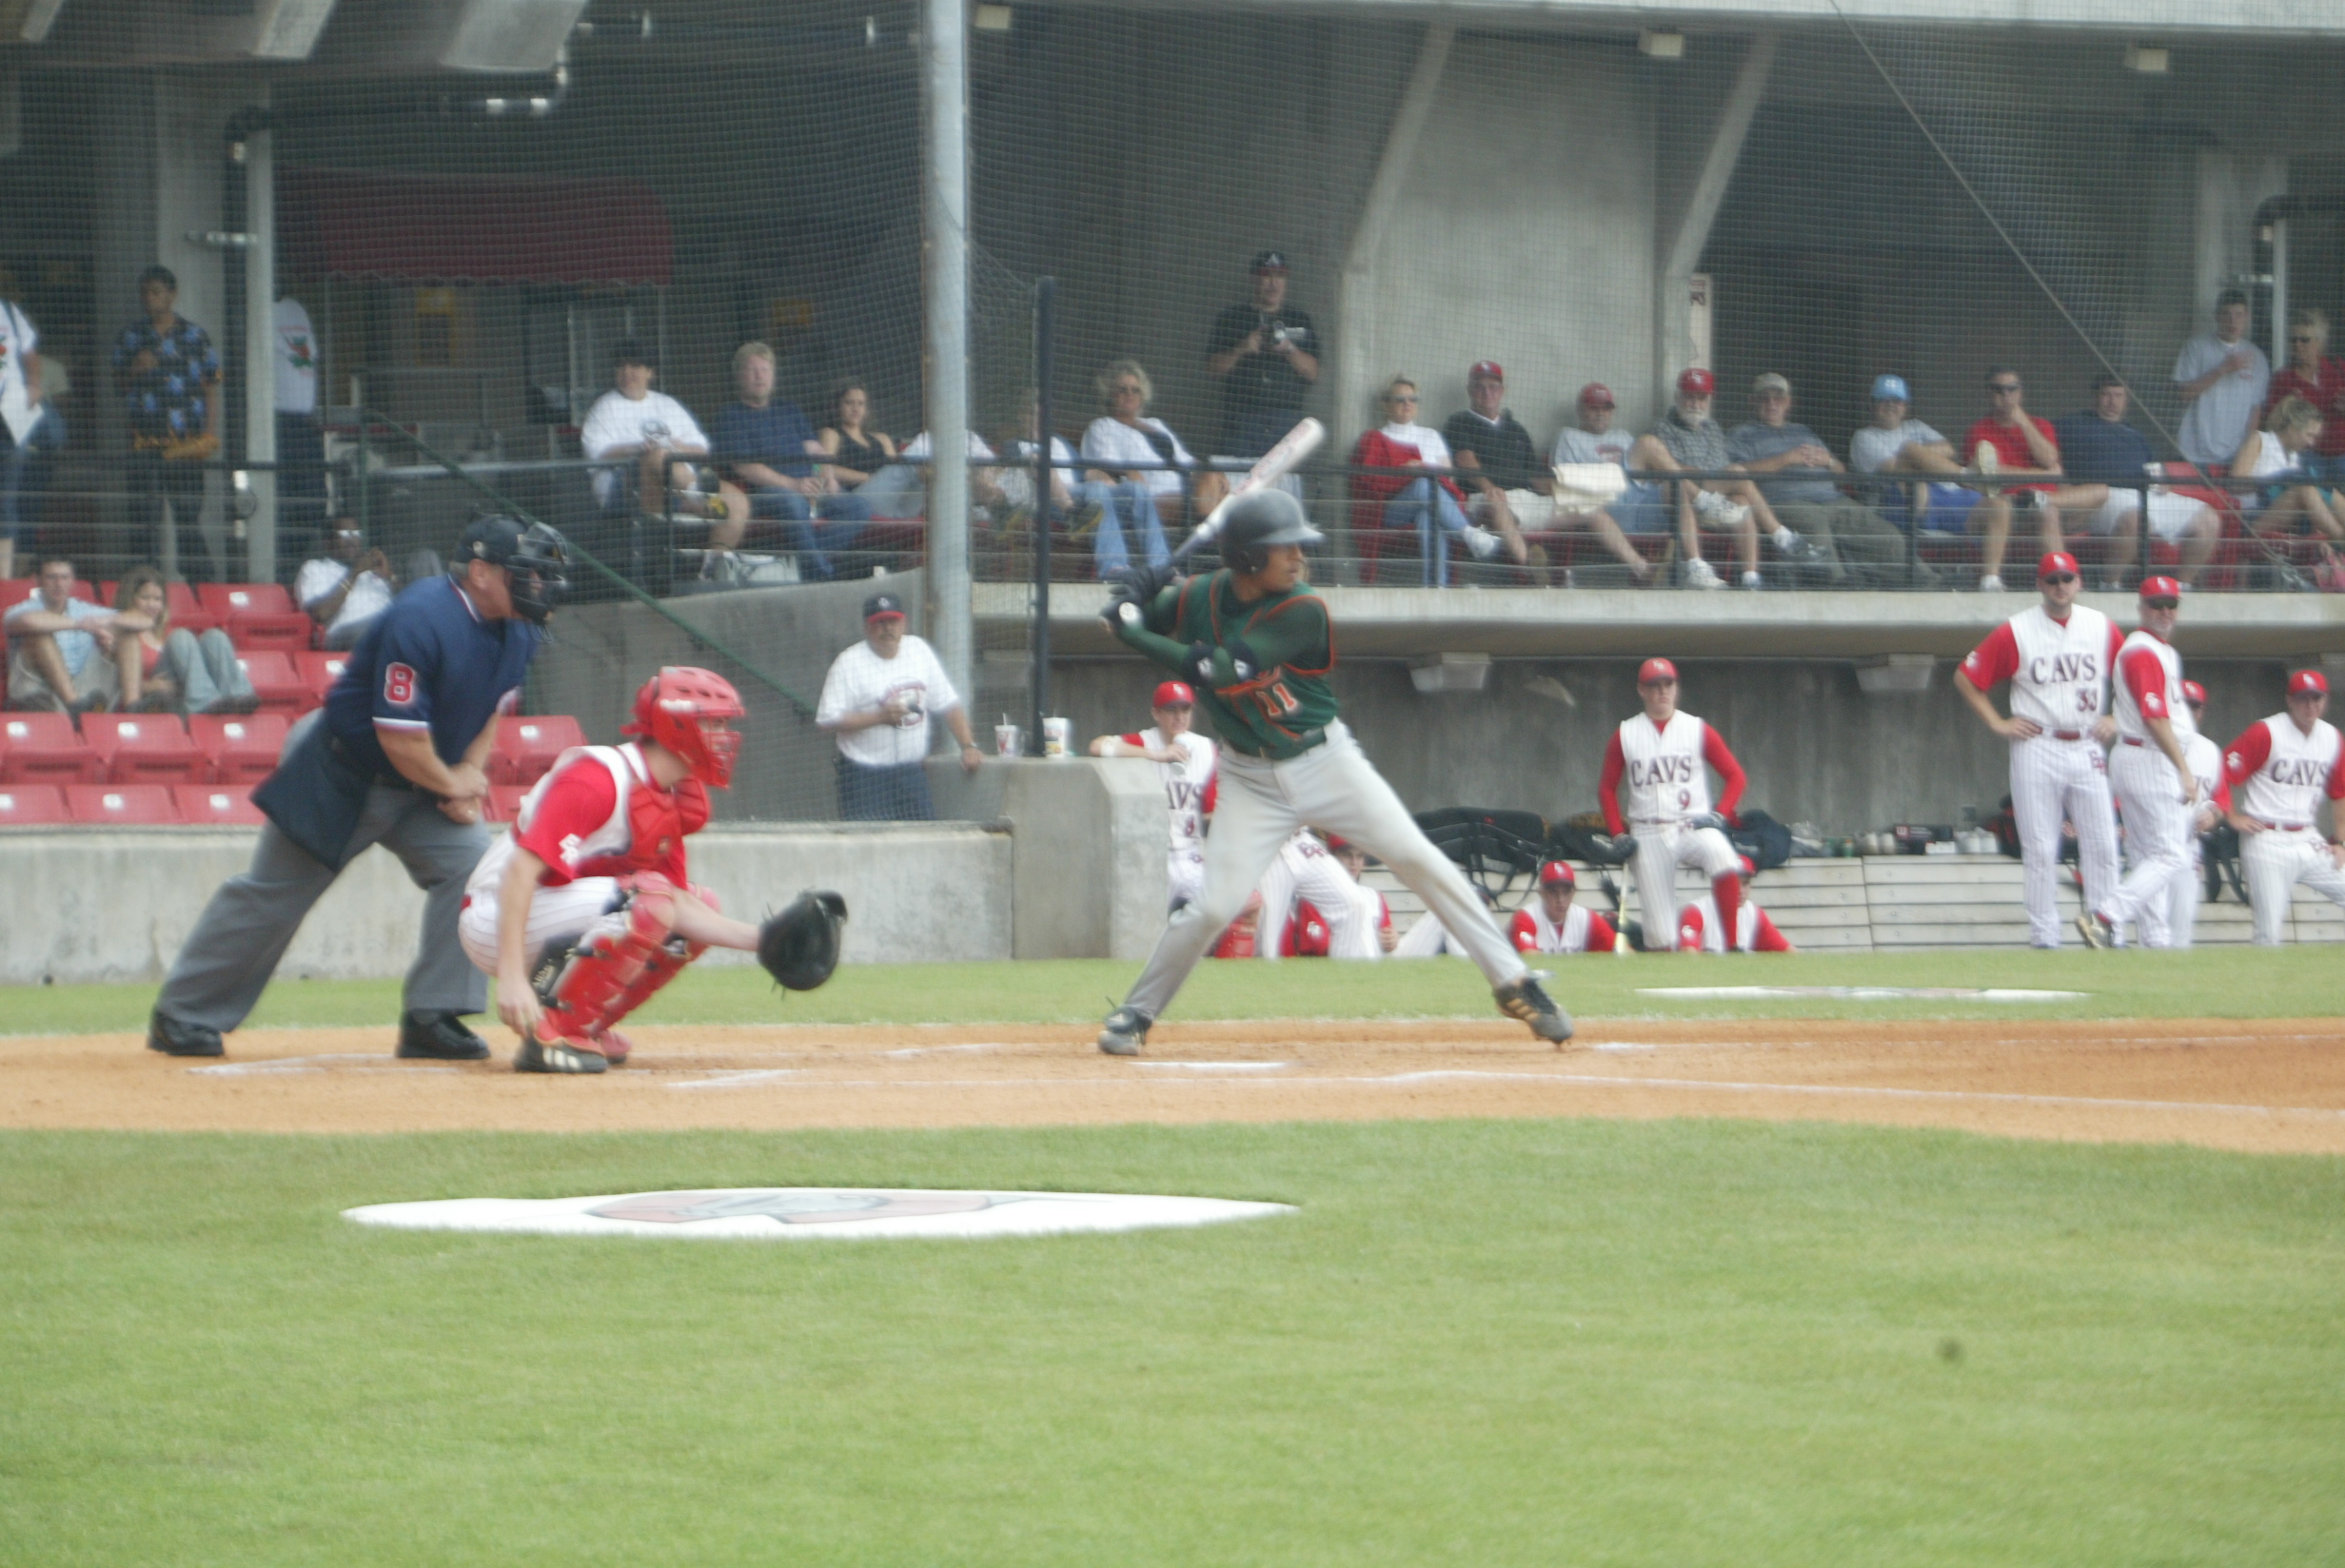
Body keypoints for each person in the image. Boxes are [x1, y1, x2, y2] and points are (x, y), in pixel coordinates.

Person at [1093, 488, 1570, 1054]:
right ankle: (1136, 1013)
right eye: (1283, 547)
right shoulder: (1198, 596)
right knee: (1215, 906)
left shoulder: (1303, 610)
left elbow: (1219, 671)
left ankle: (1513, 981)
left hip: (1327, 763)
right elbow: (1127, 622)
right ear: (1247, 557)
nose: (1298, 556)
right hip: (1250, 778)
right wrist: (1132, 604)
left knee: (1418, 857)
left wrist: (1135, 628)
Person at [145, 516, 569, 1061]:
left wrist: (466, 780)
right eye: (524, 572)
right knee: (275, 894)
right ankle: (183, 1014)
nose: (538, 584)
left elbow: (491, 706)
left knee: (474, 871)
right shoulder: (422, 615)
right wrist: (452, 781)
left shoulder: (521, 628)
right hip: (341, 769)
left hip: (423, 782)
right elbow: (399, 738)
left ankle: (431, 1016)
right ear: (481, 573)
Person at [458, 667, 767, 1073]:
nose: (723, 737)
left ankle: (585, 1024)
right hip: (493, 916)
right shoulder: (599, 778)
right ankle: (552, 1033)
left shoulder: (673, 796)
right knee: (650, 899)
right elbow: (519, 872)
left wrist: (765, 940)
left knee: (695, 904)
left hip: (546, 911)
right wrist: (512, 978)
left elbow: (679, 908)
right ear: (676, 726)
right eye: (713, 723)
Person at [1953, 551, 2123, 948]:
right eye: (2052, 579)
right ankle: (2045, 936)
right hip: (2037, 742)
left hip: (2087, 743)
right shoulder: (2018, 629)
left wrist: (2117, 717)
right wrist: (1997, 722)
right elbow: (1966, 676)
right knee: (2040, 846)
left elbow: (2132, 678)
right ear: (2039, 584)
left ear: (2078, 583)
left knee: (2102, 843)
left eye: (2067, 578)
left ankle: (2103, 933)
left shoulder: (2100, 626)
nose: (2060, 586)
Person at [2078, 578, 2198, 950]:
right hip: (2149, 755)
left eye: (2171, 604)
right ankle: (2105, 915)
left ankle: (2154, 941)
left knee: (2148, 856)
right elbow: (2154, 716)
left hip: (2137, 755)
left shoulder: (2159, 650)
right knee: (2171, 854)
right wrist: (2183, 768)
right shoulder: (2143, 651)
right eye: (2156, 604)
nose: (2165, 611)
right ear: (2142, 607)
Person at [1598, 657, 1749, 951]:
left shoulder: (1695, 728)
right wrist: (1618, 833)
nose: (1662, 692)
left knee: (1723, 856)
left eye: (1668, 684)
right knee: (1662, 937)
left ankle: (1732, 945)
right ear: (1641, 690)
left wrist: (1720, 814)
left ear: (1676, 687)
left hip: (1691, 823)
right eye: (1654, 686)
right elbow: (1606, 789)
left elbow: (1736, 776)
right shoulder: (1625, 734)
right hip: (1647, 830)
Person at [1727, 373, 1921, 588]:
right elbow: (1738, 472)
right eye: (1765, 398)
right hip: (1786, 502)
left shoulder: (1803, 431)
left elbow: (1841, 472)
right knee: (1818, 530)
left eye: (1779, 398)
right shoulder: (1741, 433)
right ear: (1752, 401)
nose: (1772, 404)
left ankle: (1930, 583)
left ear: (1789, 402)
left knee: (1888, 535)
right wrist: (1785, 459)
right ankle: (1839, 586)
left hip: (1833, 499)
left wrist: (1828, 460)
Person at [816, 591, 983, 821]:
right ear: (867, 627)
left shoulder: (919, 651)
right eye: (880, 623)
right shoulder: (848, 663)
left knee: (922, 840)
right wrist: (878, 717)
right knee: (869, 848)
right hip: (864, 775)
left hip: (910, 772)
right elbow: (826, 719)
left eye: (893, 621)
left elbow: (948, 703)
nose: (888, 629)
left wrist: (967, 745)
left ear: (904, 622)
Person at [712, 342, 873, 580]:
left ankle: (805, 568)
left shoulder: (788, 409)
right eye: (753, 370)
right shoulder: (730, 416)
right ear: (740, 376)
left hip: (809, 489)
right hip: (764, 495)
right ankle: (820, 570)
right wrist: (794, 485)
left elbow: (815, 452)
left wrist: (825, 476)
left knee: (858, 506)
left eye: (765, 370)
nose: (760, 377)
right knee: (791, 501)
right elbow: (746, 468)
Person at [1629, 368, 1789, 590]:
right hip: (1678, 505)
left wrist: (1703, 476)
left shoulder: (1712, 428)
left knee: (1742, 498)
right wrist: (1702, 476)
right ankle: (1780, 535)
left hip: (1715, 502)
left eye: (1701, 398)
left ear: (1709, 400)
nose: (1695, 404)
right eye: (1689, 396)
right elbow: (1671, 470)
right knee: (1732, 474)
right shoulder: (1663, 428)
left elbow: (1718, 468)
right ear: (1678, 398)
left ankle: (1751, 579)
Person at [1850, 372, 2012, 590]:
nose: (1890, 406)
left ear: (1905, 406)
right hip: (1904, 502)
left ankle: (1990, 581)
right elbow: (1891, 468)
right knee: (1908, 450)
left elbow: (1949, 449)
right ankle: (1969, 476)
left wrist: (1920, 458)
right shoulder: (1864, 437)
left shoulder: (1915, 426)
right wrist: (1920, 458)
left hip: (1948, 495)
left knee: (1999, 506)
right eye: (1883, 400)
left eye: (1896, 401)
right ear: (1872, 404)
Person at [2055, 376, 2221, 588]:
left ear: (2126, 401)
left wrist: (2163, 480)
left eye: (2118, 396)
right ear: (2094, 397)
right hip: (2103, 496)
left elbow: (2155, 467)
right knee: (2136, 518)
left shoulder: (2136, 434)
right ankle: (2109, 584)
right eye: (2106, 395)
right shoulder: (2072, 424)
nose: (2112, 402)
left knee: (2208, 518)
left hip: (2148, 493)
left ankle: (2181, 587)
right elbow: (2050, 455)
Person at [2220, 669, 2345, 946]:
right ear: (2289, 700)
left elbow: (2340, 793)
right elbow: (2222, 769)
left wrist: (2340, 842)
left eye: (2316, 698)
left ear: (2325, 701)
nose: (2310, 705)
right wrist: (2232, 816)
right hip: (2267, 838)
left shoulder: (2332, 738)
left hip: (2308, 837)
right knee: (2268, 934)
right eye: (2302, 698)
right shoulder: (2267, 731)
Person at [578, 341, 744, 548]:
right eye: (621, 366)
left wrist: (676, 446)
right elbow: (597, 454)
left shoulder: (667, 404)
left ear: (650, 372)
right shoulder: (604, 406)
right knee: (657, 456)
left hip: (675, 486)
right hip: (622, 490)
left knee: (737, 501)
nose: (626, 372)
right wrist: (637, 449)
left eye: (635, 366)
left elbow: (701, 449)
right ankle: (698, 496)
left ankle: (714, 566)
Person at [111, 265, 220, 578]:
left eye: (156, 291)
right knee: (144, 517)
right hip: (143, 441)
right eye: (144, 292)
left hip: (186, 442)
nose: (149, 298)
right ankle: (144, 585)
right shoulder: (131, 336)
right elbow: (117, 387)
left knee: (188, 515)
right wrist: (134, 369)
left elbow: (210, 386)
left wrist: (208, 435)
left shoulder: (195, 335)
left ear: (171, 294)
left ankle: (201, 584)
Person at [1349, 377, 1511, 586]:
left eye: (1412, 399)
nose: (1407, 404)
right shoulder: (1374, 438)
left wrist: (1422, 469)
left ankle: (1435, 587)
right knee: (1425, 485)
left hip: (1432, 504)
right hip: (1392, 510)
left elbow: (1448, 479)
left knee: (1429, 514)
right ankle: (1469, 534)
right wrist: (1408, 473)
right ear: (1386, 404)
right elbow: (1369, 481)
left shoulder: (1430, 436)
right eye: (1400, 399)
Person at [1078, 361, 1223, 578]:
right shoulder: (1103, 426)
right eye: (1122, 389)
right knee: (1214, 509)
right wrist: (1129, 472)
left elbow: (1186, 462)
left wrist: (1211, 474)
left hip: (1185, 491)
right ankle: (1209, 537)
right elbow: (1107, 466)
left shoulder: (1157, 425)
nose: (1129, 394)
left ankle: (1211, 533)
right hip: (1147, 496)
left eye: (1135, 390)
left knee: (1216, 481)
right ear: (1109, 394)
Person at [1090, 679, 1218, 911]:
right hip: (1152, 856)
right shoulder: (1146, 741)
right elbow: (1097, 746)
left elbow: (1211, 812)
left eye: (1185, 709)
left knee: (1221, 913)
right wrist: (1155, 754)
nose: (1179, 716)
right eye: (1171, 709)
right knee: (1147, 925)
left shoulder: (1206, 749)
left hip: (1192, 855)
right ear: (1156, 713)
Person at [1961, 366, 2109, 567]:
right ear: (1989, 393)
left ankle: (2042, 500)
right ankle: (2062, 577)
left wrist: (2022, 421)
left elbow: (2049, 458)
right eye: (1999, 390)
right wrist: (2045, 475)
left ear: (2021, 393)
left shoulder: (2040, 424)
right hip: (2012, 506)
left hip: (2051, 501)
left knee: (2101, 491)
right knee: (2047, 512)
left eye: (2012, 389)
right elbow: (1994, 471)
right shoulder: (1979, 429)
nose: (2006, 395)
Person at [1205, 250, 1319, 459]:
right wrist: (1241, 348)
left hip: (1285, 418)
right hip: (1242, 417)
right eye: (1267, 275)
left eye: (1280, 276)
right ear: (1254, 278)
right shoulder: (1232, 318)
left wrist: (1289, 348)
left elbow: (1312, 372)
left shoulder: (1299, 320)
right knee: (1239, 484)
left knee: (1284, 486)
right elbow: (1212, 369)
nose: (1273, 283)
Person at [1546, 382, 1661, 584]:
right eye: (1594, 408)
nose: (1600, 413)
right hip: (1603, 504)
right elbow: (1562, 482)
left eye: (1606, 409)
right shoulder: (1569, 436)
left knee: (1676, 492)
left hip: (1636, 502)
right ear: (1580, 410)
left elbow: (1645, 476)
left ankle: (1681, 564)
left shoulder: (1623, 436)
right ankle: (1649, 569)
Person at [109, 566, 256, 715]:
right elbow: (112, 685)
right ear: (130, 598)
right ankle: (203, 701)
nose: (152, 605)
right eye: (145, 598)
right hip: (153, 701)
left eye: (157, 599)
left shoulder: (166, 633)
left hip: (181, 693)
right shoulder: (124, 635)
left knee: (214, 637)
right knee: (181, 637)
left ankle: (239, 696)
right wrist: (150, 686)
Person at [1438, 361, 1541, 561]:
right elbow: (1465, 460)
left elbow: (1535, 474)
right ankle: (1530, 568)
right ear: (1469, 390)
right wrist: (1488, 488)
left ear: (1502, 391)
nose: (1487, 392)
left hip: (1525, 499)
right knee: (1495, 504)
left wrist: (1562, 489)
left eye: (1493, 386)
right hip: (1482, 498)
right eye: (1479, 386)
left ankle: (1623, 571)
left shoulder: (1516, 429)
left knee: (1587, 507)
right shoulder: (1459, 422)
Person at [2158, 680, 2229, 950]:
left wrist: (2213, 816)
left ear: (2202, 712)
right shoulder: (2149, 743)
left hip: (2189, 848)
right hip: (2153, 846)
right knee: (2151, 930)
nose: (2189, 711)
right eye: (2184, 705)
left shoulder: (2210, 751)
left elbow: (2220, 802)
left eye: (2195, 706)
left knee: (2180, 932)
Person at [4, 557, 120, 714]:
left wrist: (110, 637)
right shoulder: (23, 609)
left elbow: (136, 620)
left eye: (64, 577)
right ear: (38, 581)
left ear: (72, 581)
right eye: (52, 577)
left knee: (127, 635)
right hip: (38, 691)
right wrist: (81, 625)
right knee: (39, 634)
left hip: (83, 687)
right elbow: (29, 621)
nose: (59, 584)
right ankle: (73, 705)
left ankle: (135, 707)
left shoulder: (82, 609)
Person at [2173, 288, 2271, 468]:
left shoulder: (2257, 357)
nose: (2232, 321)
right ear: (2217, 316)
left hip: (2234, 453)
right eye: (2227, 314)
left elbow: (2255, 410)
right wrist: (2222, 369)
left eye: (2239, 315)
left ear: (2247, 317)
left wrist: (2247, 451)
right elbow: (2183, 394)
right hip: (2194, 451)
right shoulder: (2196, 347)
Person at [1255, 827, 1384, 960]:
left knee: (1353, 904)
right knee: (1268, 941)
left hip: (1298, 840)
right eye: (1347, 855)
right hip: (1261, 839)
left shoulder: (1374, 896)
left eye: (1359, 857)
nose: (1354, 862)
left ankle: (1346, 977)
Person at [2232, 396, 2340, 546]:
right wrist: (2275, 479)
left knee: (2329, 491)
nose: (2311, 443)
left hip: (2290, 520)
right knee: (2305, 490)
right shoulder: (2259, 439)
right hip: (2252, 518)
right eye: (2309, 435)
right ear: (2292, 428)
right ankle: (2341, 539)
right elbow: (2234, 485)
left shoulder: (2295, 455)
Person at [272, 292, 327, 566]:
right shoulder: (262, 311)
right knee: (283, 499)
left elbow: (310, 361)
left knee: (314, 498)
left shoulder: (296, 309)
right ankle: (282, 565)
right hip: (275, 422)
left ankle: (296, 561)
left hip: (304, 421)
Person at [0, 287, 48, 581]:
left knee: (6, 500)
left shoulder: (8, 309)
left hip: (11, 414)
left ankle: (3, 580)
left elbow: (29, 353)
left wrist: (34, 386)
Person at [297, 517, 399, 650]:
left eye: (356, 533)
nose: (351, 540)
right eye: (344, 534)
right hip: (345, 635)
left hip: (388, 628)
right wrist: (355, 573)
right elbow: (320, 614)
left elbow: (406, 601)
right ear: (327, 542)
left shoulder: (372, 571)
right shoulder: (315, 568)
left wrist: (389, 576)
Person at [2266, 307, 2345, 461]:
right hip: (2304, 456)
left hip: (2342, 453)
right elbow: (2271, 426)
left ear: (2319, 342)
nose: (2298, 345)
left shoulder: (2339, 369)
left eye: (2304, 340)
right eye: (2293, 340)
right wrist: (2285, 407)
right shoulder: (2283, 379)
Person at [1676, 857, 1793, 952]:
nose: (1740, 891)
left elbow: (1788, 953)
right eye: (1733, 884)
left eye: (1745, 883)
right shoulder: (1697, 911)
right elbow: (1688, 953)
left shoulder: (1754, 913)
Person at [1508, 860, 1619, 954]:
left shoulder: (1586, 918)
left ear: (1574, 892)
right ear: (1541, 892)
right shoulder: (1526, 918)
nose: (1560, 899)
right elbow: (1528, 956)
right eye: (1553, 892)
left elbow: (1622, 954)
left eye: (1566, 892)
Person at [815, 382, 899, 501]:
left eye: (861, 404)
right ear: (838, 406)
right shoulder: (832, 434)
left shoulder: (882, 438)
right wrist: (868, 478)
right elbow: (824, 468)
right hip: (856, 495)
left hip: (890, 493)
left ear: (866, 409)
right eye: (849, 402)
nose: (855, 409)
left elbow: (896, 473)